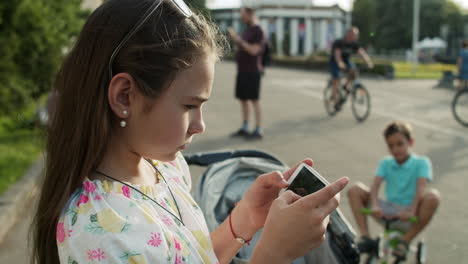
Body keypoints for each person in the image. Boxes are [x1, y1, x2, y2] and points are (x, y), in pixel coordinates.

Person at [31, 1, 350, 263]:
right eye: (189, 106)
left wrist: (244, 221)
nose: (200, 125)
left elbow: (193, 256)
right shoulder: (100, 232)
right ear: (125, 96)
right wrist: (274, 255)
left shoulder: (166, 167)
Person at [347, 121, 440, 260]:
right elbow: (375, 185)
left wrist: (412, 211)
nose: (395, 149)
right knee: (354, 190)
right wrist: (376, 205)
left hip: (410, 214)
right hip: (388, 210)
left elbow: (421, 188)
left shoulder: (422, 162)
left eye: (400, 144)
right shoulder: (386, 162)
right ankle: (366, 238)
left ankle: (405, 241)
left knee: (433, 197)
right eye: (390, 146)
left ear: (410, 142)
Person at [228, 7, 265, 140]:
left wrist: (237, 39)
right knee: (243, 100)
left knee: (254, 100)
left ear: (250, 14)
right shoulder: (247, 29)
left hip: (252, 71)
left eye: (243, 15)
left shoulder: (258, 30)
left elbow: (254, 50)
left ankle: (258, 129)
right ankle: (244, 127)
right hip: (242, 70)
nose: (241, 17)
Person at [329, 27, 373, 110]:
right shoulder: (339, 42)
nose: (355, 36)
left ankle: (346, 86)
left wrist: (368, 62)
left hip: (346, 60)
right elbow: (337, 55)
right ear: (348, 34)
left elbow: (362, 53)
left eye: (356, 35)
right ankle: (334, 98)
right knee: (336, 78)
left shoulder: (354, 44)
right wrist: (340, 63)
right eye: (354, 34)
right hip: (335, 61)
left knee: (354, 72)